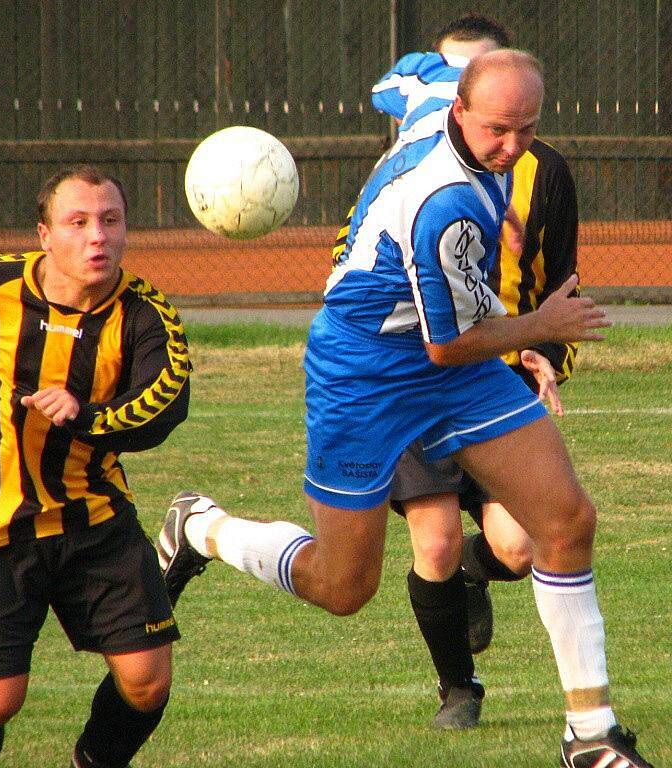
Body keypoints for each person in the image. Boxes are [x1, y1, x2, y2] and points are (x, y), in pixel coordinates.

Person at [159, 50, 655, 768]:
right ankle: (203, 527)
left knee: (567, 518)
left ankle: (591, 734)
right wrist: (540, 326)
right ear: (461, 112)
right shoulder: (444, 203)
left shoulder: (434, 96)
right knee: (342, 586)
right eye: (497, 131)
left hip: (449, 354)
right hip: (368, 372)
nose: (512, 146)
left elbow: (404, 74)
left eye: (527, 128)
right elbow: (446, 347)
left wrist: (439, 67)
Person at [368, 13, 581, 729]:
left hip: (494, 373)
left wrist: (545, 359)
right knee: (428, 540)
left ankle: (472, 570)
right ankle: (458, 688)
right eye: (450, 77)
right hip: (413, 379)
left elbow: (559, 287)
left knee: (518, 549)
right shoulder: (414, 166)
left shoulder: (543, 172)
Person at [0, 165, 191, 767]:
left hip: (92, 515)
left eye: (110, 221)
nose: (97, 237)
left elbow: (162, 409)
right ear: (45, 233)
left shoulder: (147, 316)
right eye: (77, 223)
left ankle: (95, 761)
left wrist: (84, 415)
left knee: (147, 680)